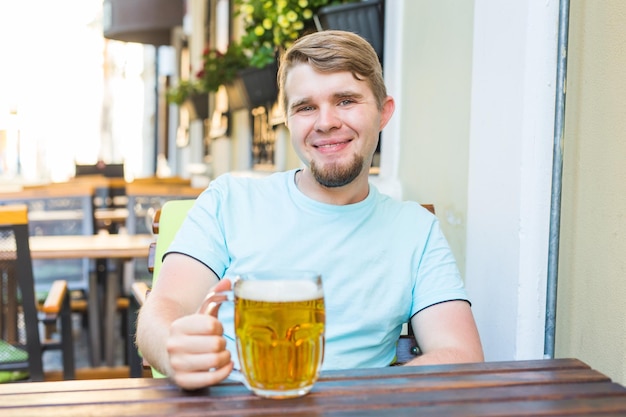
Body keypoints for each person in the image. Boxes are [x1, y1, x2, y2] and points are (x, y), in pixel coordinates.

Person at [136, 30, 484, 390]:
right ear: (287, 119)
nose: (326, 122)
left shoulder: (416, 229)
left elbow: (460, 354)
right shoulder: (230, 199)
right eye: (305, 107)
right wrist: (172, 348)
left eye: (346, 100)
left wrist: (367, 399)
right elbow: (163, 309)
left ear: (383, 113)